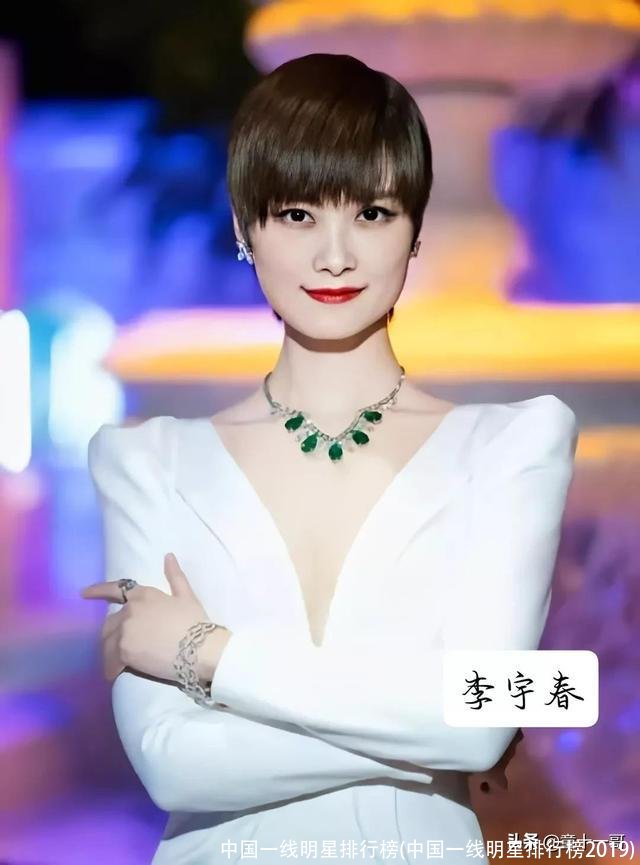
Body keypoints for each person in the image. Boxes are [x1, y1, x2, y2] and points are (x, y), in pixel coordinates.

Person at [81, 53, 578, 865]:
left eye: (373, 212)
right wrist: (426, 726)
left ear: (415, 227)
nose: (336, 255)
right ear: (245, 228)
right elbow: (171, 766)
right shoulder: (146, 462)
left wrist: (205, 650)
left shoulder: (512, 447)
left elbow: (479, 723)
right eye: (297, 214)